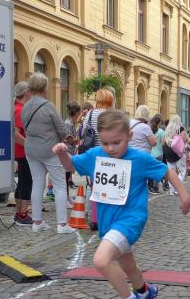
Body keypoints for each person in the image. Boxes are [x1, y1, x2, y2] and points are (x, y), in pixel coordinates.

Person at [54, 110, 190, 299]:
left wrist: (184, 196)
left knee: (101, 260)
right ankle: (146, 291)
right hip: (108, 222)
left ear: (129, 136)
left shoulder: (139, 158)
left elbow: (168, 173)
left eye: (116, 142)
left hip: (131, 219)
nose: (110, 148)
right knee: (128, 266)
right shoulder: (95, 155)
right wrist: (62, 153)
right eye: (105, 143)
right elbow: (71, 165)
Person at [21, 73, 76, 234]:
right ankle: (62, 224)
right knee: (60, 185)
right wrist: (69, 138)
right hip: (50, 150)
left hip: (31, 150)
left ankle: (37, 222)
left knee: (37, 184)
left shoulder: (25, 106)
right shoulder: (48, 106)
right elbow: (62, 129)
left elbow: (25, 128)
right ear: (44, 88)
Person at [80, 89, 116, 230]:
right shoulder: (111, 115)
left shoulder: (90, 113)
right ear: (110, 100)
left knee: (94, 187)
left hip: (92, 154)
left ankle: (94, 220)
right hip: (107, 154)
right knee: (107, 187)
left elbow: (83, 132)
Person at [13, 82, 33, 226]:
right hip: (23, 152)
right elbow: (15, 134)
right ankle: (23, 215)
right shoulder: (20, 110)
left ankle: (18, 213)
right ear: (26, 93)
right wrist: (30, 145)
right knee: (26, 183)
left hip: (19, 152)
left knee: (21, 183)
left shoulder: (16, 108)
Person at [163, 115, 188, 195]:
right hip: (178, 152)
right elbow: (184, 139)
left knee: (171, 172)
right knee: (182, 171)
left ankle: (171, 191)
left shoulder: (167, 129)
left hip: (168, 152)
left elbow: (163, 142)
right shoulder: (181, 129)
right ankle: (178, 189)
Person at [149, 114, 165, 194]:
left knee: (150, 170)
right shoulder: (161, 132)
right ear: (159, 123)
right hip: (159, 154)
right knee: (158, 171)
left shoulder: (149, 130)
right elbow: (163, 143)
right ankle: (155, 187)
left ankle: (150, 186)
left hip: (150, 153)